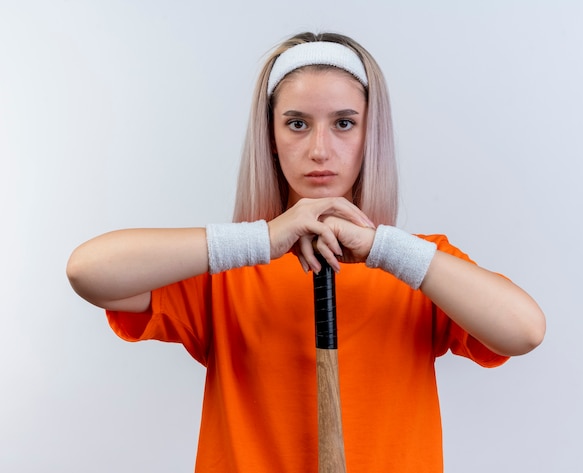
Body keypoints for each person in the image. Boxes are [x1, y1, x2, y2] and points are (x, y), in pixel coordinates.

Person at [66, 32, 545, 472]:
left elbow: (524, 331)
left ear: (369, 137)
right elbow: (89, 271)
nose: (320, 149)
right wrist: (261, 240)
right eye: (297, 123)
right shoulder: (230, 271)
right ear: (270, 139)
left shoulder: (419, 265)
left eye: (344, 123)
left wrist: (384, 249)